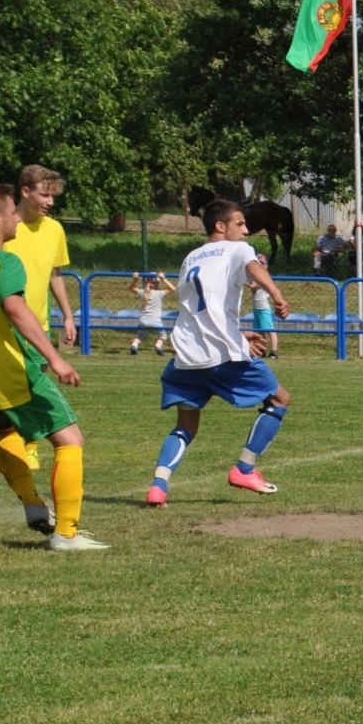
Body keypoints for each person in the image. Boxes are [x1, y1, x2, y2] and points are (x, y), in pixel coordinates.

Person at [146, 199, 292, 508]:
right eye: (239, 223)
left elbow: (200, 312)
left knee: (185, 425)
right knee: (279, 398)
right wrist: (276, 293)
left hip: (186, 356)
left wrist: (239, 333)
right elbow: (253, 266)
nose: (246, 229)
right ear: (220, 226)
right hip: (222, 355)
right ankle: (244, 469)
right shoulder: (236, 249)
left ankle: (158, 486)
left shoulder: (190, 258)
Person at [0, 184, 106, 550]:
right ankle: (66, 533)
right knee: (69, 438)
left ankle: (31, 503)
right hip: (10, 372)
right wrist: (55, 358)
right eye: (11, 212)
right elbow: (15, 309)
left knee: (1, 432)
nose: (15, 219)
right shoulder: (5, 261)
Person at [8, 165, 77, 470]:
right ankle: (24, 442)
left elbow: (55, 274)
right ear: (25, 192)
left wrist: (68, 315)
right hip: (7, 325)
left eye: (53, 196)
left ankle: (30, 444)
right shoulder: (7, 227)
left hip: (39, 324)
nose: (50, 202)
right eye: (44, 195)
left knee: (35, 385)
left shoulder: (55, 229)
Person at [129, 272, 174, 355]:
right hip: (155, 321)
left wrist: (135, 280)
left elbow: (131, 288)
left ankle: (134, 345)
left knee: (140, 336)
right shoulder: (159, 293)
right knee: (163, 336)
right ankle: (158, 345)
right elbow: (172, 289)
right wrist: (163, 279)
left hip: (143, 320)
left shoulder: (142, 292)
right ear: (156, 283)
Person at [249, 279, 280, 359]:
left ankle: (274, 352)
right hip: (256, 307)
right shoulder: (255, 276)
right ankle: (262, 350)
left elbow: (253, 285)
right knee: (259, 330)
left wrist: (241, 282)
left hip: (263, 307)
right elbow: (253, 289)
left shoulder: (260, 277)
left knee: (269, 329)